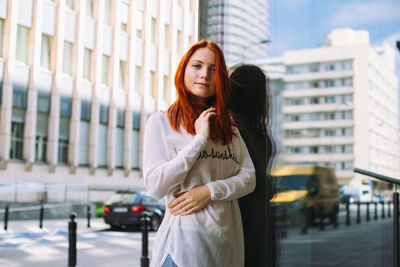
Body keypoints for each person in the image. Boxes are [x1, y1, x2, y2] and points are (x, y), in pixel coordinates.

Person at [143, 40, 256, 267]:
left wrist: (208, 191)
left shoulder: (229, 127)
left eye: (213, 69)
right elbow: (156, 185)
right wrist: (199, 140)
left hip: (226, 246)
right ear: (183, 70)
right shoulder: (162, 122)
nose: (205, 74)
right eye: (197, 66)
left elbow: (249, 178)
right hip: (184, 248)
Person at [228, 64, 276, 267]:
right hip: (248, 217)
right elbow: (256, 177)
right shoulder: (239, 127)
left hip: (247, 215)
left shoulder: (244, 126)